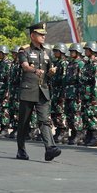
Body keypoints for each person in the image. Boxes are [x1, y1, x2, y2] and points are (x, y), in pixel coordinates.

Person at [16, 22, 61, 161]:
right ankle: (21, 150)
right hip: (28, 90)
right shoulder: (24, 51)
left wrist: (52, 72)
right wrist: (35, 70)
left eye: (44, 34)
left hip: (43, 90)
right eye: (40, 34)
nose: (43, 37)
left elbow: (49, 71)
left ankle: (50, 148)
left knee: (44, 120)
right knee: (24, 123)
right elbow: (24, 67)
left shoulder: (47, 51)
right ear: (32, 35)